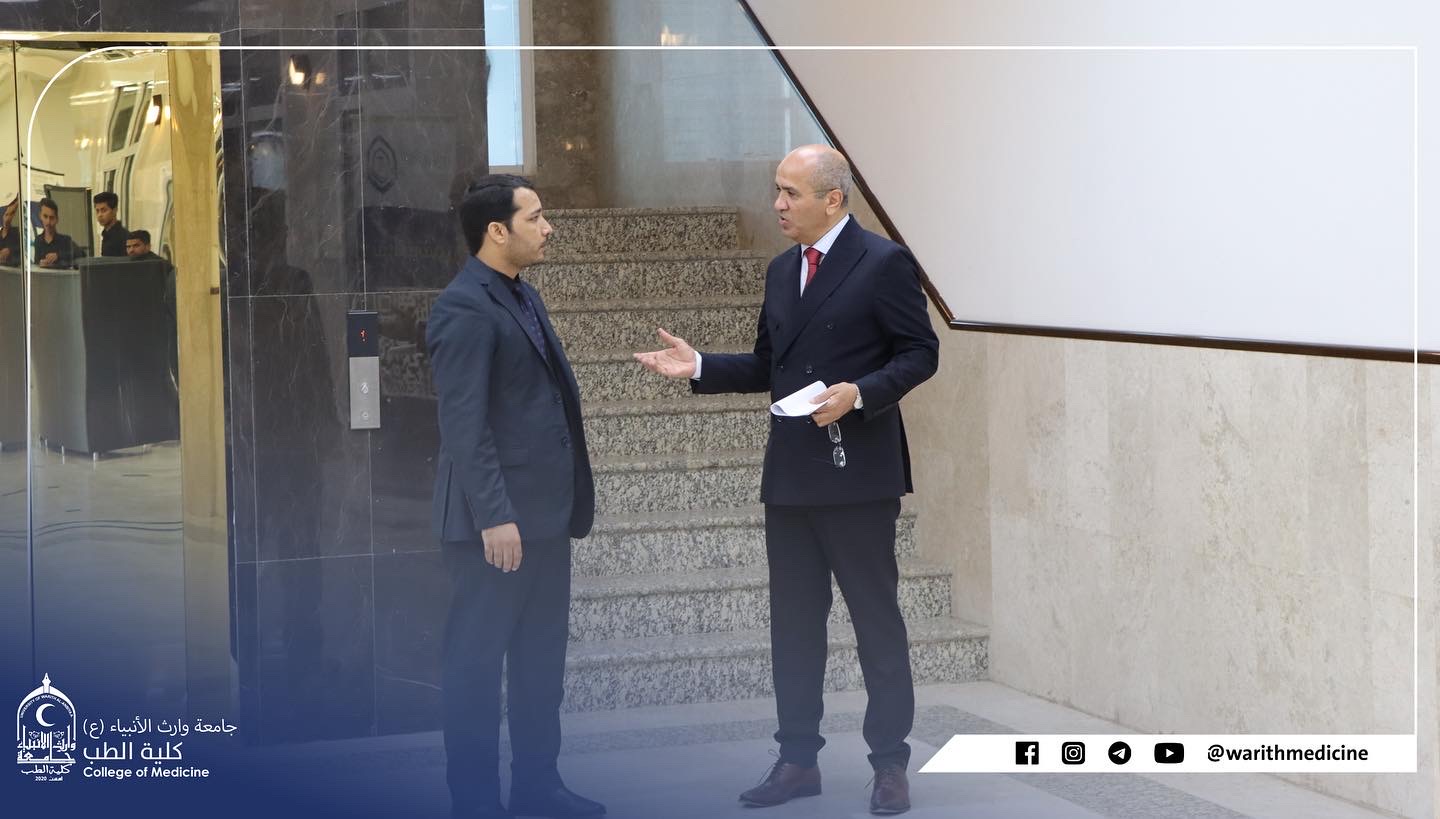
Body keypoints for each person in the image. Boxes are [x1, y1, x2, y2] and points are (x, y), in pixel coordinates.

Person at [635, 144, 939, 816]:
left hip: (858, 475)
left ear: (832, 199)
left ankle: (890, 763)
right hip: (793, 475)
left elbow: (921, 353)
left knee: (876, 622)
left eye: (790, 192)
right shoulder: (781, 270)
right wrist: (699, 367)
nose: (777, 204)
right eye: (776, 189)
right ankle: (798, 759)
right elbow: (770, 365)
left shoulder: (884, 262)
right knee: (794, 627)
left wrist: (859, 392)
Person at [427, 174, 603, 819]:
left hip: (546, 519)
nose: (547, 227)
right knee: (476, 669)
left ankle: (538, 787)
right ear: (496, 231)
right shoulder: (463, 307)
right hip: (495, 527)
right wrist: (495, 516)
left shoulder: (522, 295)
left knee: (539, 665)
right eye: (535, 217)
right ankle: (475, 803)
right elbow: (464, 424)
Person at [33, 197, 76, 268]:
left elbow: (81, 253)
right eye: (45, 216)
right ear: (40, 216)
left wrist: (58, 256)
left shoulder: (65, 240)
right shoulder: (38, 240)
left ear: (57, 219)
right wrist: (40, 263)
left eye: (52, 218)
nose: (48, 222)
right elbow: (36, 263)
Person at [94, 191, 128, 257]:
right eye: (97, 211)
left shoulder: (123, 237)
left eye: (104, 210)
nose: (100, 215)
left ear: (115, 210)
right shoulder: (106, 234)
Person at [0, 197, 20, 265]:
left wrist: (10, 251)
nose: (8, 218)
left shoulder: (19, 234)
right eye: (6, 214)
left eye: (12, 213)